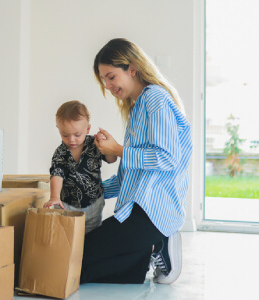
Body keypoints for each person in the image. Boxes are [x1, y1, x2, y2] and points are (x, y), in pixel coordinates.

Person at [80, 38, 192, 285]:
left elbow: (168, 158)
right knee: (85, 268)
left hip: (153, 212)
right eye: (104, 81)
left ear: (131, 68)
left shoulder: (155, 99)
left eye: (111, 77)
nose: (108, 86)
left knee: (77, 257)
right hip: (135, 209)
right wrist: (87, 191)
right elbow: (129, 177)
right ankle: (149, 250)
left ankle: (159, 239)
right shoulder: (136, 109)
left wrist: (117, 149)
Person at [43, 100, 117, 233]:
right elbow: (57, 175)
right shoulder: (60, 152)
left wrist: (107, 144)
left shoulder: (94, 145)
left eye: (77, 135)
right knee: (67, 236)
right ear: (58, 129)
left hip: (93, 203)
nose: (71, 140)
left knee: (92, 236)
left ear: (87, 129)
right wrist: (55, 197)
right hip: (66, 204)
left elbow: (112, 159)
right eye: (65, 135)